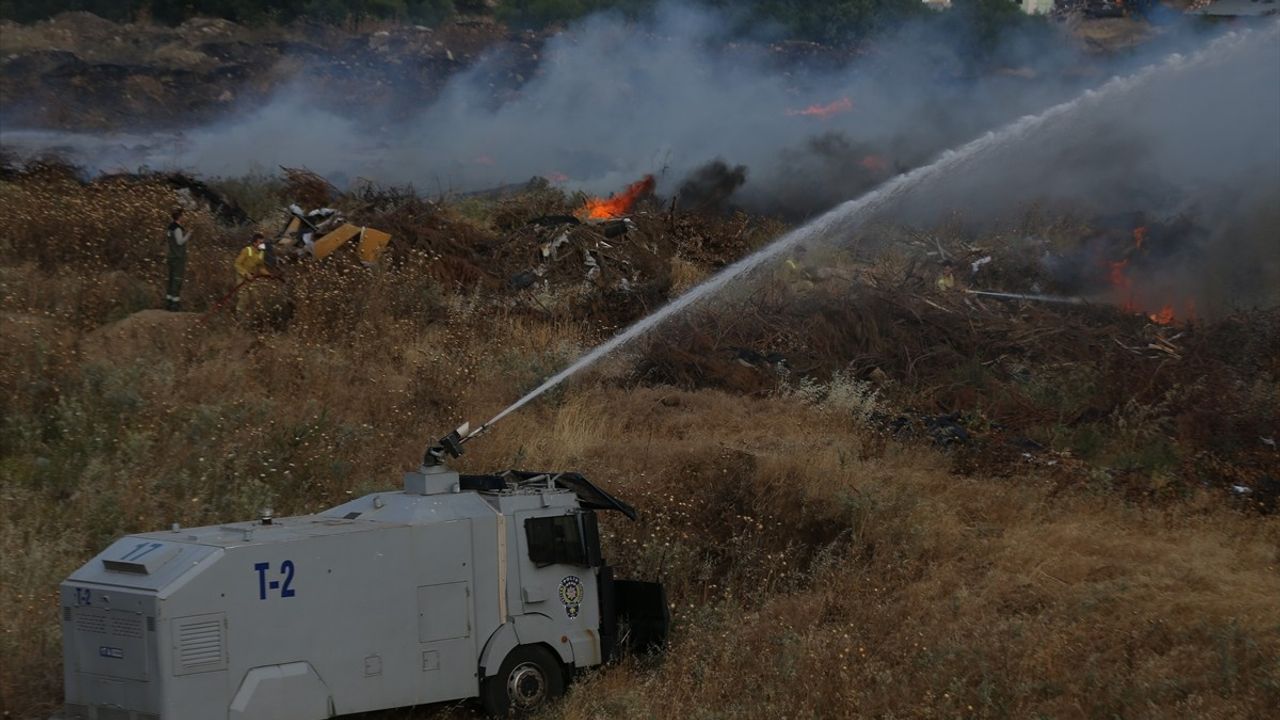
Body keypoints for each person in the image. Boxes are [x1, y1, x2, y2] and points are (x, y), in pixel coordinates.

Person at [234, 232, 275, 314]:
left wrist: (268, 274)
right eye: (260, 243)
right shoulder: (247, 250)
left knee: (256, 296)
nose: (262, 245)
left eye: (263, 242)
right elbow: (237, 264)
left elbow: (261, 267)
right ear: (254, 243)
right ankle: (239, 315)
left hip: (252, 277)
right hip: (242, 277)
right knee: (244, 297)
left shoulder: (261, 253)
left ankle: (251, 314)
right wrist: (246, 274)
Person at [165, 208, 191, 311]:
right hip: (178, 257)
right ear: (179, 217)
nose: (184, 217)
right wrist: (188, 235)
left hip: (171, 256)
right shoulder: (177, 229)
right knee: (177, 280)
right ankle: (174, 305)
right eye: (183, 215)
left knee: (171, 279)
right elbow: (180, 242)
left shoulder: (170, 228)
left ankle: (168, 302)